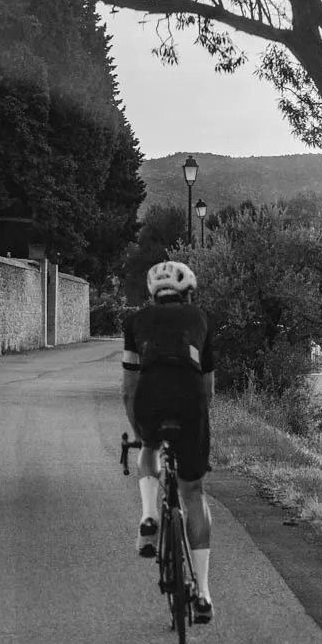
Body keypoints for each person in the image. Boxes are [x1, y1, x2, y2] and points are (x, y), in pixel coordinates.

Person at [122, 260, 216, 623]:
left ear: (153, 294)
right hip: (189, 400)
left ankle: (148, 516)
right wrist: (198, 427)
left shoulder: (136, 321)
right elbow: (207, 387)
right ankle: (204, 594)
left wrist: (141, 430)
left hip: (150, 396)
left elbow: (129, 386)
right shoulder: (201, 318)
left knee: (149, 448)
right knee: (193, 492)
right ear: (188, 291)